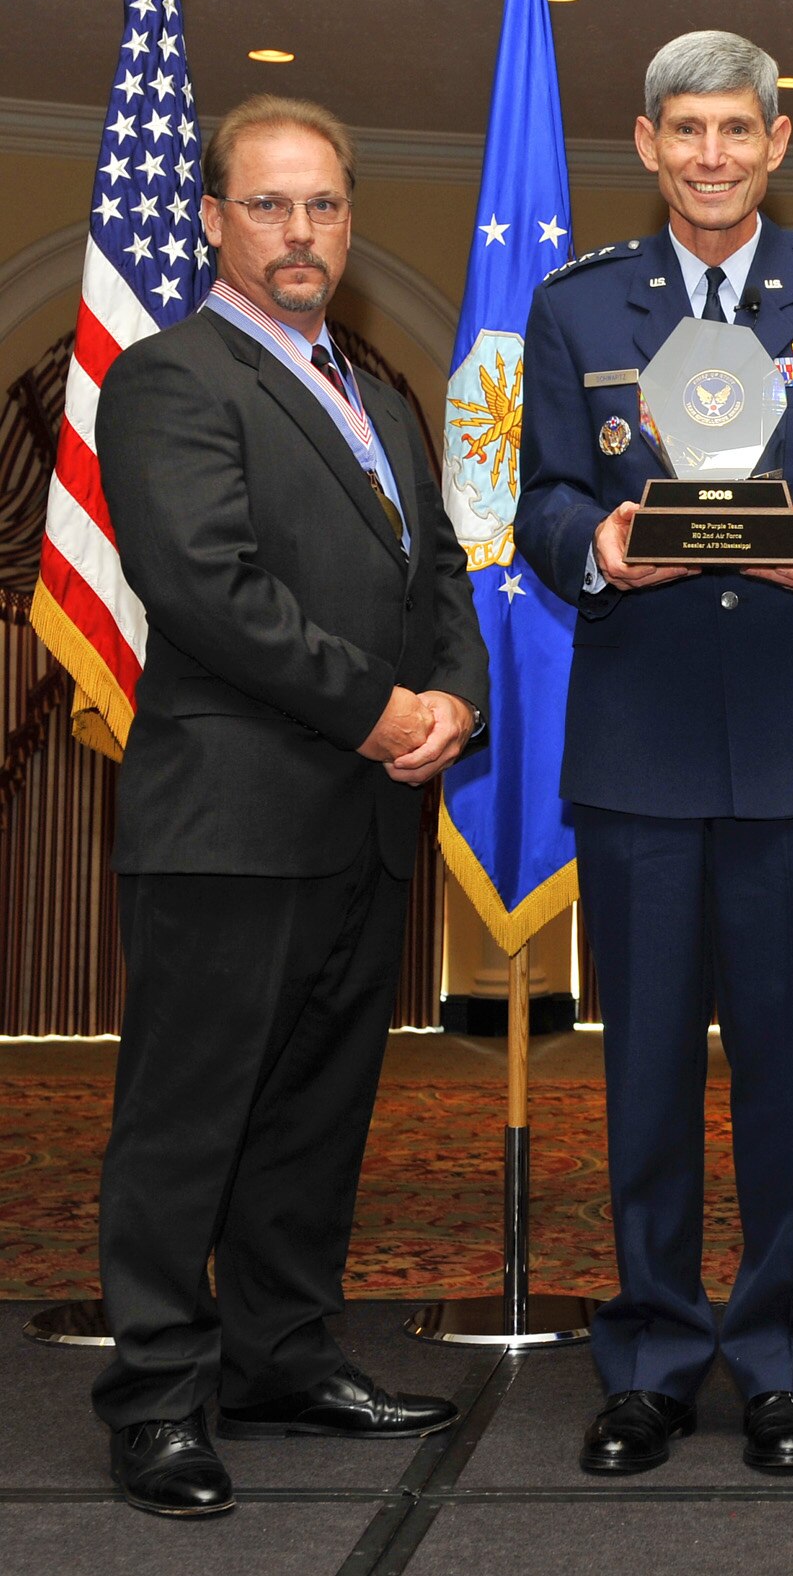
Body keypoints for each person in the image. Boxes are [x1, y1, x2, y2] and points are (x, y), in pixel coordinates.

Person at [514, 30, 793, 1478]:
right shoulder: (579, 308)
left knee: (785, 1074)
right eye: (683, 131)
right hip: (636, 749)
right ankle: (644, 1360)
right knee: (640, 1077)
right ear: (645, 145)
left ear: (775, 143)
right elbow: (545, 502)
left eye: (735, 132)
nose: (709, 155)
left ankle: (781, 1363)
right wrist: (600, 546)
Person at [90, 95, 488, 1518]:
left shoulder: (374, 396)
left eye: (322, 205)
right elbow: (211, 590)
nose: (301, 231)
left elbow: (437, 571)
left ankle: (280, 1358)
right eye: (269, 205)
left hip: (362, 827)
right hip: (232, 826)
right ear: (212, 218)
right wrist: (376, 710)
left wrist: (454, 696)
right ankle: (155, 1399)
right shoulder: (168, 379)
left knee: (316, 1120)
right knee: (189, 1124)